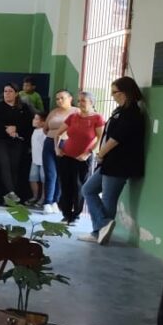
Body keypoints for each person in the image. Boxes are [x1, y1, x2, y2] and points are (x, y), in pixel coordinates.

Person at [82, 76, 146, 245]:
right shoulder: (119, 112)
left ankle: (99, 232)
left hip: (120, 162)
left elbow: (116, 138)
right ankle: (102, 225)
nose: (113, 96)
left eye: (115, 92)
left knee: (108, 198)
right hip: (110, 162)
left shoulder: (132, 114)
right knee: (88, 189)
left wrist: (101, 153)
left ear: (125, 93)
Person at [54, 91, 104, 226]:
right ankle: (66, 214)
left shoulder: (97, 118)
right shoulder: (73, 117)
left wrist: (88, 153)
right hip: (66, 155)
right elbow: (58, 134)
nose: (80, 103)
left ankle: (76, 215)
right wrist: (57, 148)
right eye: (79, 100)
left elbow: (100, 139)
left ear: (91, 103)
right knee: (65, 184)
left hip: (82, 158)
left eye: (83, 101)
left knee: (79, 186)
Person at [0, 83, 33, 203]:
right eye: (5, 91)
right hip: (0, 140)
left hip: (17, 140)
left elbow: (28, 123)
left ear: (16, 93)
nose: (7, 94)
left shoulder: (24, 108)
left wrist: (16, 129)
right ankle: (11, 193)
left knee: (14, 167)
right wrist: (7, 129)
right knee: (4, 165)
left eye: (10, 91)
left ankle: (9, 195)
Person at [42, 90, 79, 215]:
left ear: (70, 98)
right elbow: (45, 128)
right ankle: (47, 202)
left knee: (61, 174)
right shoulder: (54, 112)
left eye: (62, 98)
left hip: (66, 144)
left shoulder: (76, 112)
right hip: (50, 142)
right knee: (50, 173)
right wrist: (53, 137)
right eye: (57, 99)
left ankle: (55, 201)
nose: (59, 101)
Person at [28, 112, 47, 206]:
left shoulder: (44, 132)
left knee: (44, 179)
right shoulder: (35, 131)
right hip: (35, 159)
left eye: (37, 119)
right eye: (34, 118)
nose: (34, 121)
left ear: (43, 122)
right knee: (32, 178)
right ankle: (35, 196)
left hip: (44, 160)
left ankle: (43, 198)